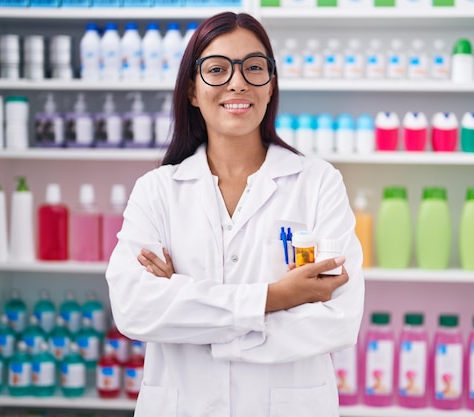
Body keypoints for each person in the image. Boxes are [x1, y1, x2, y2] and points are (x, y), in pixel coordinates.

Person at [105, 11, 365, 417]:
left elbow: (338, 319)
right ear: (192, 89)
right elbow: (134, 309)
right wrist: (277, 297)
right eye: (217, 69)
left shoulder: (317, 183)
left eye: (254, 67)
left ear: (270, 85)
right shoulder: (156, 191)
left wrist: (189, 309)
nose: (238, 81)